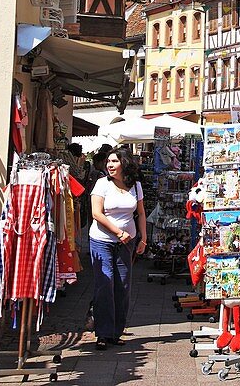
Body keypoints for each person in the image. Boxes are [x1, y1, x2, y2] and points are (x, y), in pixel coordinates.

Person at [89, 147, 146, 350]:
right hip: (102, 240)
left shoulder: (136, 186)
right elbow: (97, 213)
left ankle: (115, 332)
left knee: (122, 285)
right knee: (105, 284)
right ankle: (103, 333)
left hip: (127, 242)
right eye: (108, 162)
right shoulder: (102, 184)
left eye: (114, 161)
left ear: (125, 163)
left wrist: (143, 239)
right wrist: (118, 232)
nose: (110, 165)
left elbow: (140, 213)